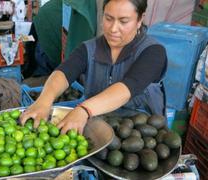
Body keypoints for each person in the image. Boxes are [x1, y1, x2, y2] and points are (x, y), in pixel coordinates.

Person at [20, 0, 167, 135]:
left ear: (140, 20)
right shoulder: (89, 48)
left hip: (145, 136)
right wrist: (45, 100)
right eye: (108, 18)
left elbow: (127, 88)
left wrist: (84, 109)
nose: (114, 29)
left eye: (123, 21)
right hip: (99, 131)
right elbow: (64, 72)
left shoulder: (153, 52)